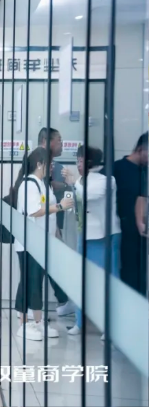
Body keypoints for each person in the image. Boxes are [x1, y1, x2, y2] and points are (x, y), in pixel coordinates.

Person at [9, 148, 73, 341]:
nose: (52, 167)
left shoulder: (42, 184)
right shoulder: (28, 184)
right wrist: (60, 206)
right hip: (30, 244)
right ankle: (24, 324)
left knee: (35, 283)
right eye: (50, 164)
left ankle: (37, 322)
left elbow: (47, 212)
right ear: (39, 164)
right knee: (31, 283)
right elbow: (34, 210)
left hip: (41, 242)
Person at [64, 145, 121, 336]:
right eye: (77, 160)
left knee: (107, 284)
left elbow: (87, 195)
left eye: (81, 161)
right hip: (85, 235)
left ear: (90, 162)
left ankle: (109, 327)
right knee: (82, 281)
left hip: (105, 237)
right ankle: (79, 322)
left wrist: (73, 183)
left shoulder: (107, 181)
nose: (78, 164)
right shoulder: (80, 181)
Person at [37, 127, 74, 316]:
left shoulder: (57, 167)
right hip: (41, 224)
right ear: (46, 141)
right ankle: (32, 308)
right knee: (41, 265)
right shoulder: (36, 163)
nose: (62, 144)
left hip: (52, 223)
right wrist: (66, 184)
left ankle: (62, 300)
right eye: (59, 140)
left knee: (50, 263)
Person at [112, 133, 148, 294]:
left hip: (141, 232)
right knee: (127, 272)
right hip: (123, 230)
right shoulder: (117, 168)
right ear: (141, 149)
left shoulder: (144, 171)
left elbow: (142, 197)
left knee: (141, 274)